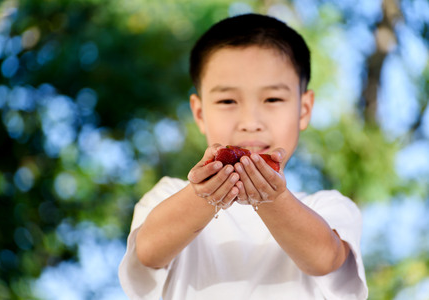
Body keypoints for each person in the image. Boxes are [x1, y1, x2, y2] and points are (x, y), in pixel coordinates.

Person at [119, 13, 368, 300]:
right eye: (227, 101)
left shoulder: (328, 208)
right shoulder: (170, 195)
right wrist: (203, 196)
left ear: (304, 109)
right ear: (199, 113)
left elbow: (325, 258)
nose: (250, 121)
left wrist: (272, 199)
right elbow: (148, 251)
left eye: (272, 99)